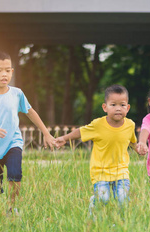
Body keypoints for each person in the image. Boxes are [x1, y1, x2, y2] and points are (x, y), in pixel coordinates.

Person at [0, 51, 55, 216]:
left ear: (12, 72)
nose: (4, 74)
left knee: (15, 175)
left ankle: (11, 209)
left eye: (7, 70)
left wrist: (46, 133)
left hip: (13, 143)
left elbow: (30, 112)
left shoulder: (17, 94)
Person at [55, 85, 139, 214]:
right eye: (113, 105)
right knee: (103, 199)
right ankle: (94, 205)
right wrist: (65, 138)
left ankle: (121, 224)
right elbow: (80, 132)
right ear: (105, 107)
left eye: (122, 105)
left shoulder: (130, 125)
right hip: (100, 171)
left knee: (122, 199)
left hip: (121, 170)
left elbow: (132, 141)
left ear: (127, 108)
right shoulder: (98, 125)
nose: (118, 108)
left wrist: (139, 149)